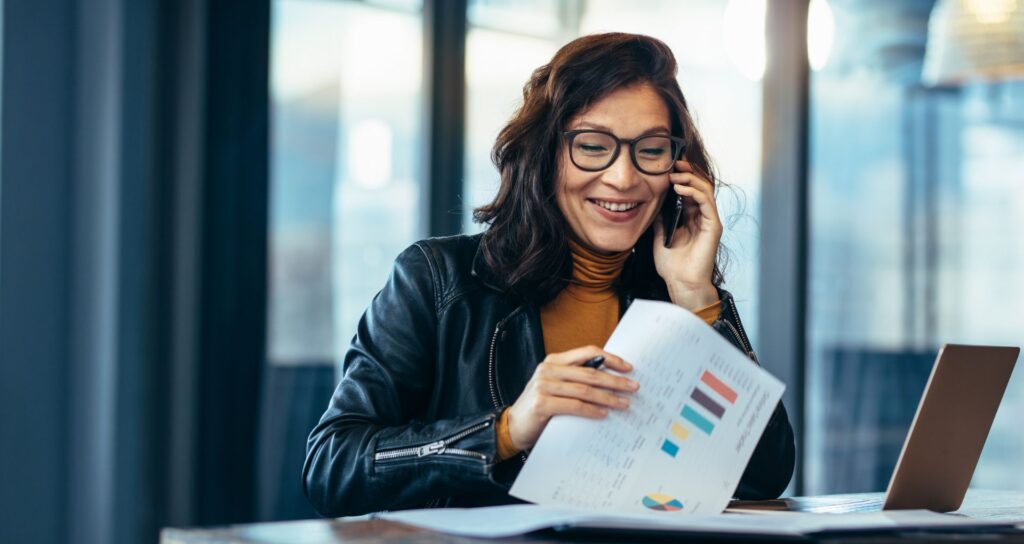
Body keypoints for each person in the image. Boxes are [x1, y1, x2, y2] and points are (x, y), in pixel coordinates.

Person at [304, 32, 795, 517]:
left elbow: (762, 474)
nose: (623, 178)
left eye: (650, 149)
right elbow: (332, 466)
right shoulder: (438, 279)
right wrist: (505, 431)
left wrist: (696, 296)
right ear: (545, 155)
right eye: (593, 145)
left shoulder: (674, 294)